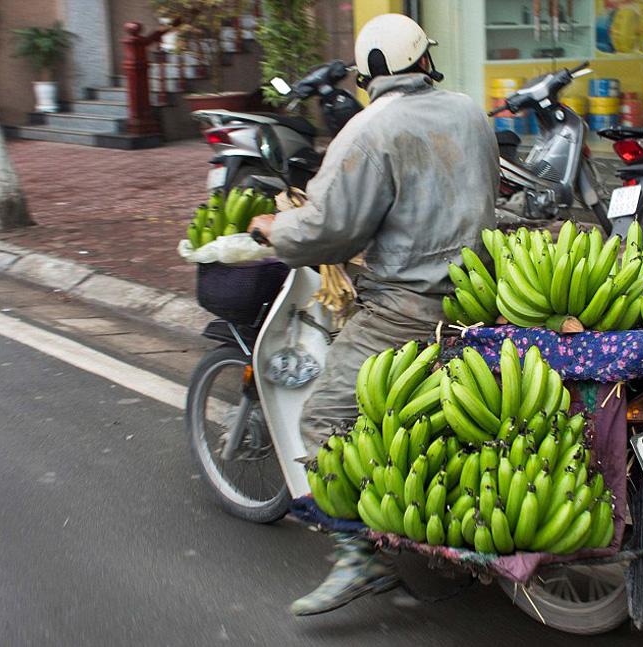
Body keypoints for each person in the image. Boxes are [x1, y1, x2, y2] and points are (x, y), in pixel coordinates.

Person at [247, 13, 499, 615]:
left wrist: (274, 228)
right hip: (485, 294)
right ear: (422, 61)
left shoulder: (367, 131)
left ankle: (358, 559)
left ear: (374, 72)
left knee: (325, 418)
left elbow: (329, 229)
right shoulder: (468, 109)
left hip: (407, 310)